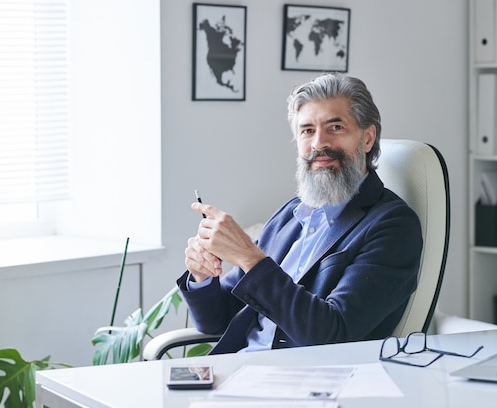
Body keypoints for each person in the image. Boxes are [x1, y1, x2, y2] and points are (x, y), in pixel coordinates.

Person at [179, 72, 423, 355]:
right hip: (242, 371)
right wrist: (202, 276)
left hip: (313, 384)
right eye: (307, 130)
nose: (319, 143)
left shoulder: (393, 226)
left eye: (335, 127)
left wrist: (249, 256)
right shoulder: (291, 214)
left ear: (367, 139)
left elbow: (332, 333)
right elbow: (218, 320)